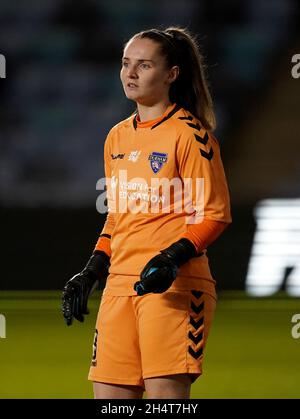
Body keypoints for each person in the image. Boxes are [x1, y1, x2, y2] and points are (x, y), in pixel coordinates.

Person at [62, 26, 231, 399]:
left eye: (144, 65)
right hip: (118, 289)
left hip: (173, 289)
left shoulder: (191, 136)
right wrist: (93, 269)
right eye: (125, 64)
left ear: (171, 74)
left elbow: (215, 214)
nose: (130, 73)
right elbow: (117, 216)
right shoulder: (117, 136)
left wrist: (172, 258)